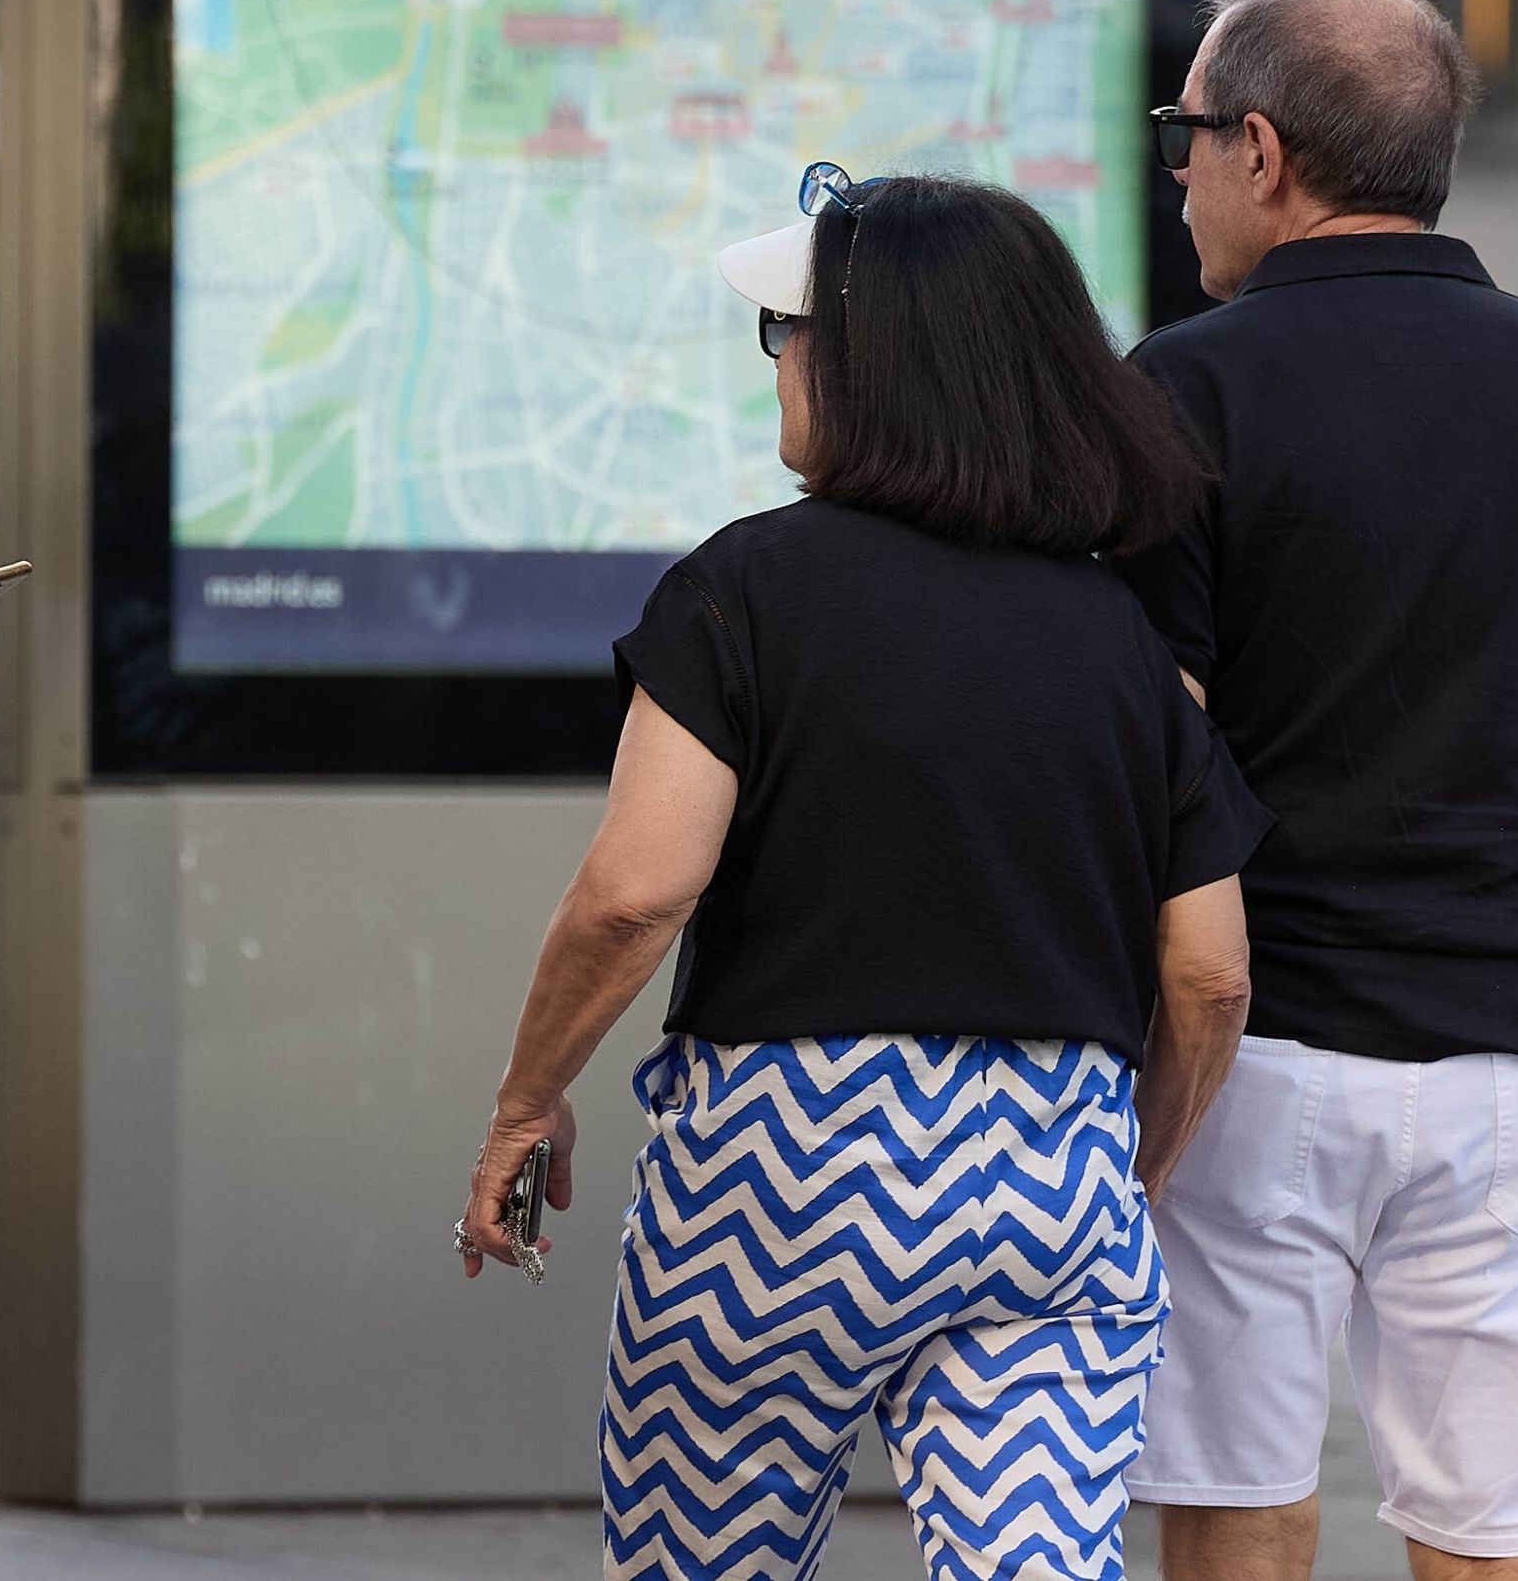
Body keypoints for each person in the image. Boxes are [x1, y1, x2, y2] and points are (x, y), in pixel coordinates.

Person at [455, 166, 1274, 1581]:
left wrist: (528, 1104)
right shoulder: (1125, 647)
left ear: (863, 363)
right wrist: (1122, 1164)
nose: (779, 361)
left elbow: (637, 890)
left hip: (780, 1178)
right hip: (1054, 1177)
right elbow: (1209, 974)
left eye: (789, 330)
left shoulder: (746, 592)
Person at [1118, 0, 1518, 1581]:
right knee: (1503, 1537)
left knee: (1238, 1510)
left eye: (1181, 131)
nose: (1176, 170)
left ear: (1259, 149)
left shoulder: (1181, 393)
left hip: (1262, 1052)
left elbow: (1148, 744)